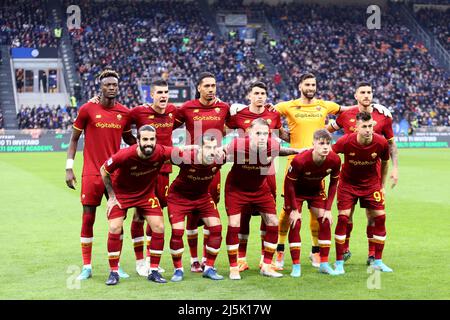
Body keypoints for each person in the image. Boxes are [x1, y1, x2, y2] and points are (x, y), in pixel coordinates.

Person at [273, 73, 391, 270]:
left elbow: (352, 109)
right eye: (307, 84)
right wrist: (285, 136)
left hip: (318, 166)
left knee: (316, 213)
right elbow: (268, 114)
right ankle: (279, 249)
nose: (311, 87)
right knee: (288, 212)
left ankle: (316, 252)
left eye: (313, 84)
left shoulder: (325, 105)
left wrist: (375, 108)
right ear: (300, 85)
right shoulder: (288, 106)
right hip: (295, 163)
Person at [65, 69, 136, 281]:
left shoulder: (124, 113)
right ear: (100, 87)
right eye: (108, 85)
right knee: (88, 219)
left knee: (118, 221)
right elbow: (74, 139)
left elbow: (131, 140)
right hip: (91, 174)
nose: (112, 87)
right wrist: (69, 167)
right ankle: (86, 266)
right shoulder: (87, 109)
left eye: (115, 84)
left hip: (115, 175)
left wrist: (153, 150)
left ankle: (116, 266)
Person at [328, 81, 398, 265]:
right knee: (346, 215)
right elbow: (327, 131)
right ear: (356, 96)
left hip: (372, 178)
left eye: (369, 92)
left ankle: (373, 254)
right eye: (363, 92)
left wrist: (396, 168)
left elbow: (390, 145)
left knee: (373, 216)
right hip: (349, 177)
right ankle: (344, 250)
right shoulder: (345, 115)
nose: (367, 95)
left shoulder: (383, 116)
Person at [223, 118, 302, 280]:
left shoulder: (272, 145)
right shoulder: (237, 145)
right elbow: (222, 152)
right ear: (248, 133)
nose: (262, 137)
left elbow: (281, 151)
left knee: (273, 222)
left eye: (265, 133)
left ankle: (266, 265)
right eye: (258, 133)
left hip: (260, 189)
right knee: (234, 224)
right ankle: (233, 268)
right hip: (236, 190)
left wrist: (299, 151)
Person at [100, 125, 177, 285]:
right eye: (145, 139)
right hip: (122, 194)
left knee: (159, 227)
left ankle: (153, 270)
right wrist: (111, 196)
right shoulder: (125, 155)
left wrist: (200, 152)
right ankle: (113, 272)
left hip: (145, 195)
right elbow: (104, 170)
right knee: (115, 227)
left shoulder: (161, 152)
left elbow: (183, 154)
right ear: (138, 140)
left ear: (156, 140)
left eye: (152, 139)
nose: (149, 143)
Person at [226, 81, 288, 272]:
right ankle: (241, 258)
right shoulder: (239, 115)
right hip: (245, 168)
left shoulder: (273, 114)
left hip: (267, 169)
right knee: (243, 213)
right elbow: (222, 127)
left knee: (267, 213)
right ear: (249, 96)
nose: (260, 96)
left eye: (263, 93)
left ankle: (264, 258)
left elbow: (284, 135)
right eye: (256, 93)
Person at [174, 72, 230, 272]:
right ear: (198, 88)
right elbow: (167, 126)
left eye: (214, 85)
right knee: (190, 213)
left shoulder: (224, 108)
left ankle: (207, 258)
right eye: (207, 86)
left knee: (210, 211)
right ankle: (194, 259)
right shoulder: (187, 108)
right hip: (191, 167)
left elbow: (237, 125)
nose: (211, 89)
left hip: (213, 168)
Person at [332, 111, 393, 275]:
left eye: (370, 126)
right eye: (364, 126)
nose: (368, 130)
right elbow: (331, 155)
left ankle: (378, 261)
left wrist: (382, 185)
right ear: (356, 128)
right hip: (348, 184)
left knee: (380, 217)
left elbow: (386, 163)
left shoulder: (380, 142)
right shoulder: (345, 141)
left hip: (371, 185)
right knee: (343, 217)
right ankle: (339, 263)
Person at [128, 79, 177, 276]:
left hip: (164, 171)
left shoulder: (173, 111)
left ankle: (150, 258)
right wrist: (136, 146)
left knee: (156, 215)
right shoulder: (139, 112)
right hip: (144, 172)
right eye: (160, 92)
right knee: (140, 215)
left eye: (166, 92)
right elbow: (122, 123)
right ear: (152, 95)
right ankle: (140, 262)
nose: (164, 95)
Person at [283, 129, 341, 277]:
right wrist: (294, 210)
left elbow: (333, 184)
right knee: (296, 222)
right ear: (313, 143)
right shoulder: (300, 160)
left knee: (326, 221)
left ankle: (324, 263)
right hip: (295, 192)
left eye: (328, 143)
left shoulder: (334, 160)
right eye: (321, 143)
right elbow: (288, 185)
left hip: (315, 192)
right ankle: (296, 266)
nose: (325, 147)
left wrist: (328, 209)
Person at [167, 135, 225, 282]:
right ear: (199, 148)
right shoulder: (186, 158)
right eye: (208, 148)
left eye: (214, 148)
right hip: (178, 198)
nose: (212, 152)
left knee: (217, 229)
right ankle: (178, 270)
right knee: (177, 232)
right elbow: (162, 156)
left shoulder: (220, 159)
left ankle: (209, 267)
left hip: (202, 197)